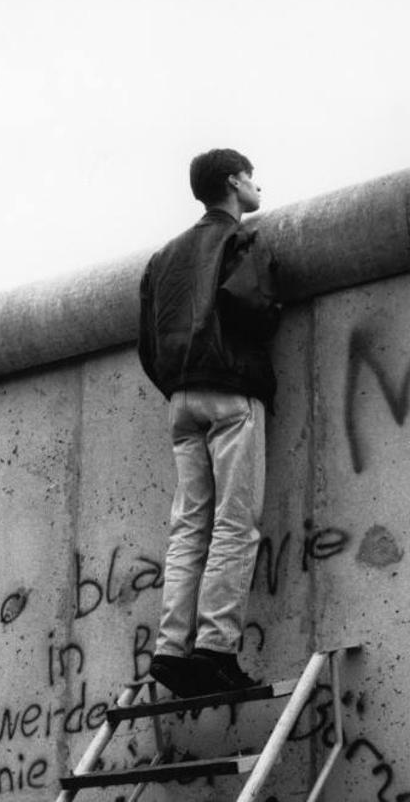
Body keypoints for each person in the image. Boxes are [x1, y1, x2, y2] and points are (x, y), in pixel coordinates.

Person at [137, 148, 281, 697]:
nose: (256, 183)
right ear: (232, 182)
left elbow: (148, 344)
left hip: (182, 402)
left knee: (188, 527)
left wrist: (178, 381)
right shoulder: (240, 241)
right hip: (230, 393)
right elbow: (258, 311)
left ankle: (170, 649)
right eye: (250, 175)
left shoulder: (163, 258)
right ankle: (215, 649)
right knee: (234, 523)